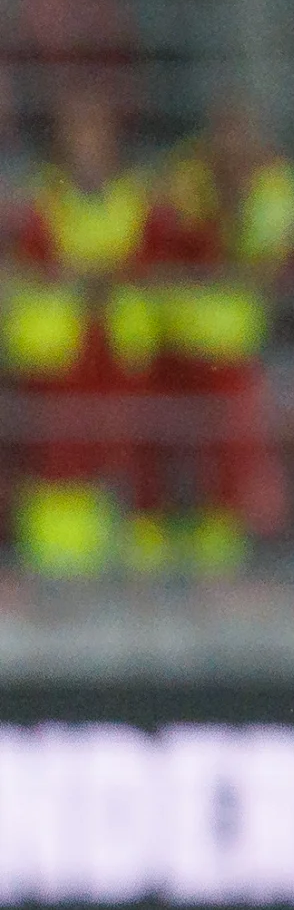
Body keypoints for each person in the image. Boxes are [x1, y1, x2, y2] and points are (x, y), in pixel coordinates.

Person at [4, 81, 163, 577]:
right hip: (60, 367)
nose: (87, 144)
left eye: (96, 131)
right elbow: (22, 275)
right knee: (58, 476)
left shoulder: (142, 202)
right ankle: (55, 577)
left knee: (134, 474)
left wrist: (90, 279)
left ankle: (142, 586)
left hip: (121, 361)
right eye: (76, 131)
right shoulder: (34, 205)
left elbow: (158, 269)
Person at [148, 98, 294, 574]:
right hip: (171, 342)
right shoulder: (182, 176)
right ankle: (155, 565)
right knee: (162, 457)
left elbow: (266, 271)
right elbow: (161, 246)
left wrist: (224, 230)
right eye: (222, 137)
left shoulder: (274, 187)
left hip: (232, 350)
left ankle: (218, 569)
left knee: (228, 464)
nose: (230, 148)